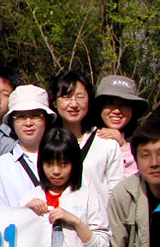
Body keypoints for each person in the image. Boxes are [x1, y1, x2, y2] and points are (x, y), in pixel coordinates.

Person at [49, 69, 124, 199]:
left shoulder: (106, 143)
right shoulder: (47, 141)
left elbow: (117, 192)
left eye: (80, 96)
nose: (73, 104)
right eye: (66, 97)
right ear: (55, 102)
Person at [0, 85, 54, 209]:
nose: (28, 123)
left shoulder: (63, 159)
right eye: (21, 117)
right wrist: (24, 210)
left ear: (46, 119)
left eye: (35, 116)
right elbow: (0, 213)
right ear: (12, 122)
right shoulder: (0, 166)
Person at [94, 75, 148, 178]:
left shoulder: (143, 140)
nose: (117, 111)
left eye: (124, 105)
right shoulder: (86, 136)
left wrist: (123, 146)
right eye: (110, 104)